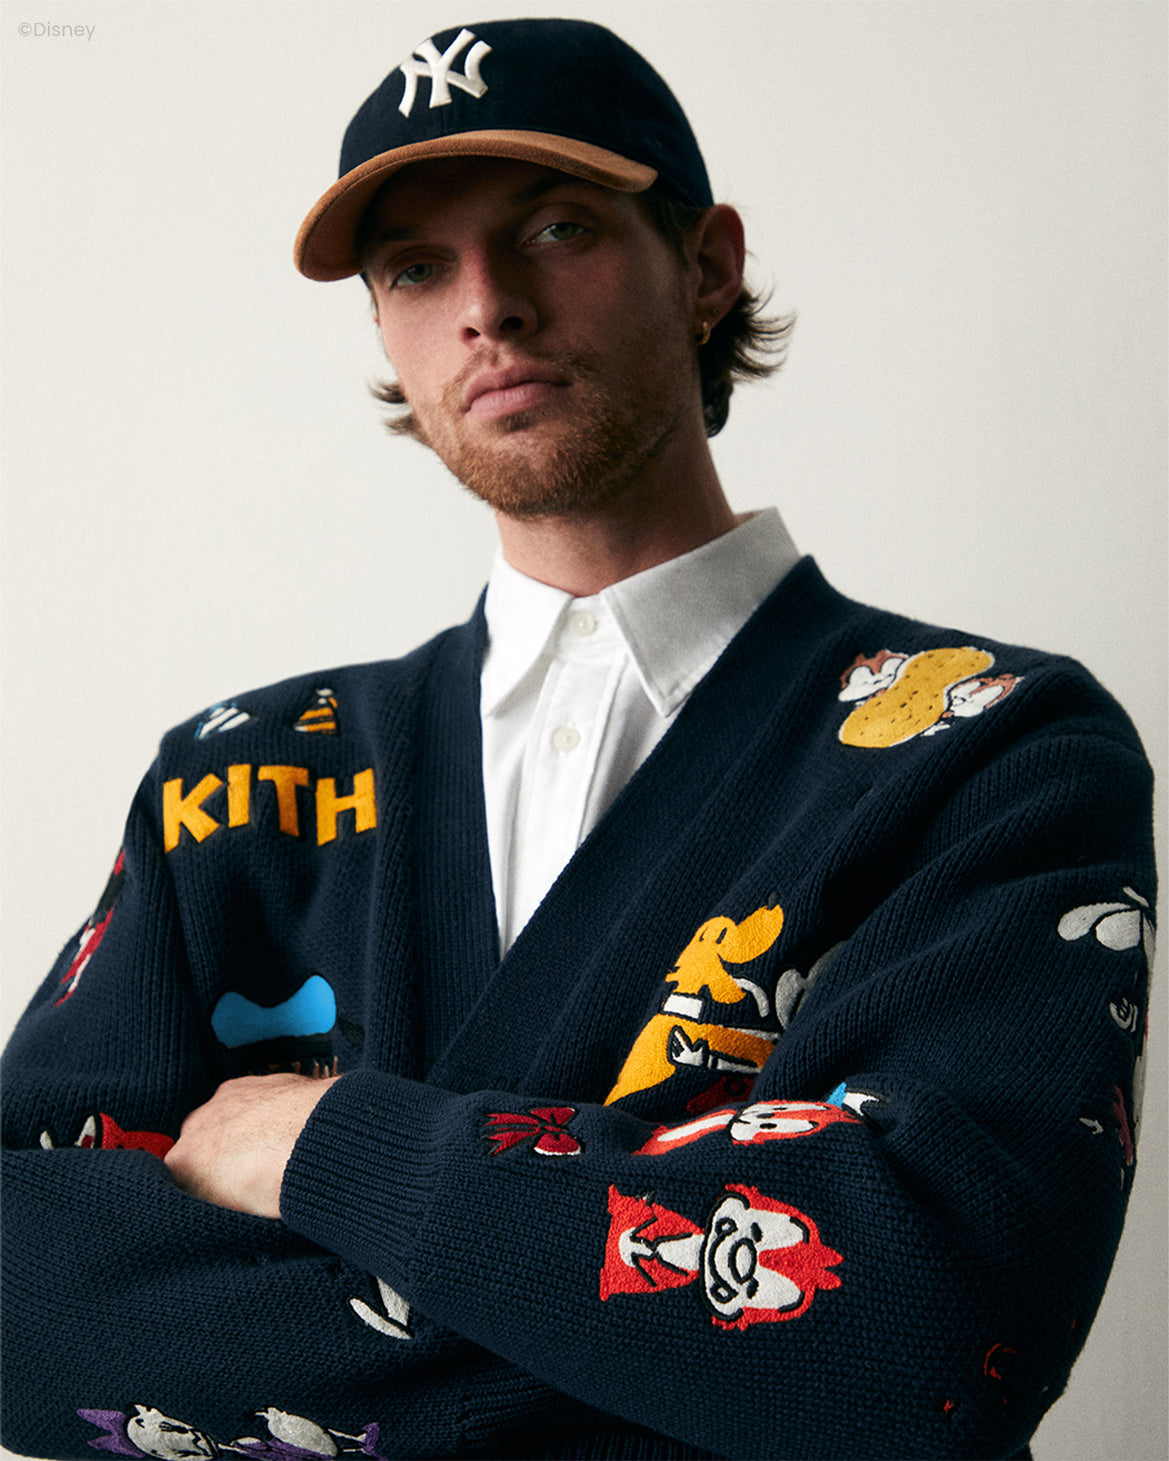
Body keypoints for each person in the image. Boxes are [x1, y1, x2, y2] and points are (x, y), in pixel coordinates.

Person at [1, 17, 1155, 1461]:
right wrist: (656, 1344)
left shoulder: (988, 750)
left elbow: (922, 1332)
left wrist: (324, 1149)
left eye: (556, 228)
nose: (486, 306)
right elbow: (23, 1295)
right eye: (414, 268)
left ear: (707, 266)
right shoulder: (237, 782)